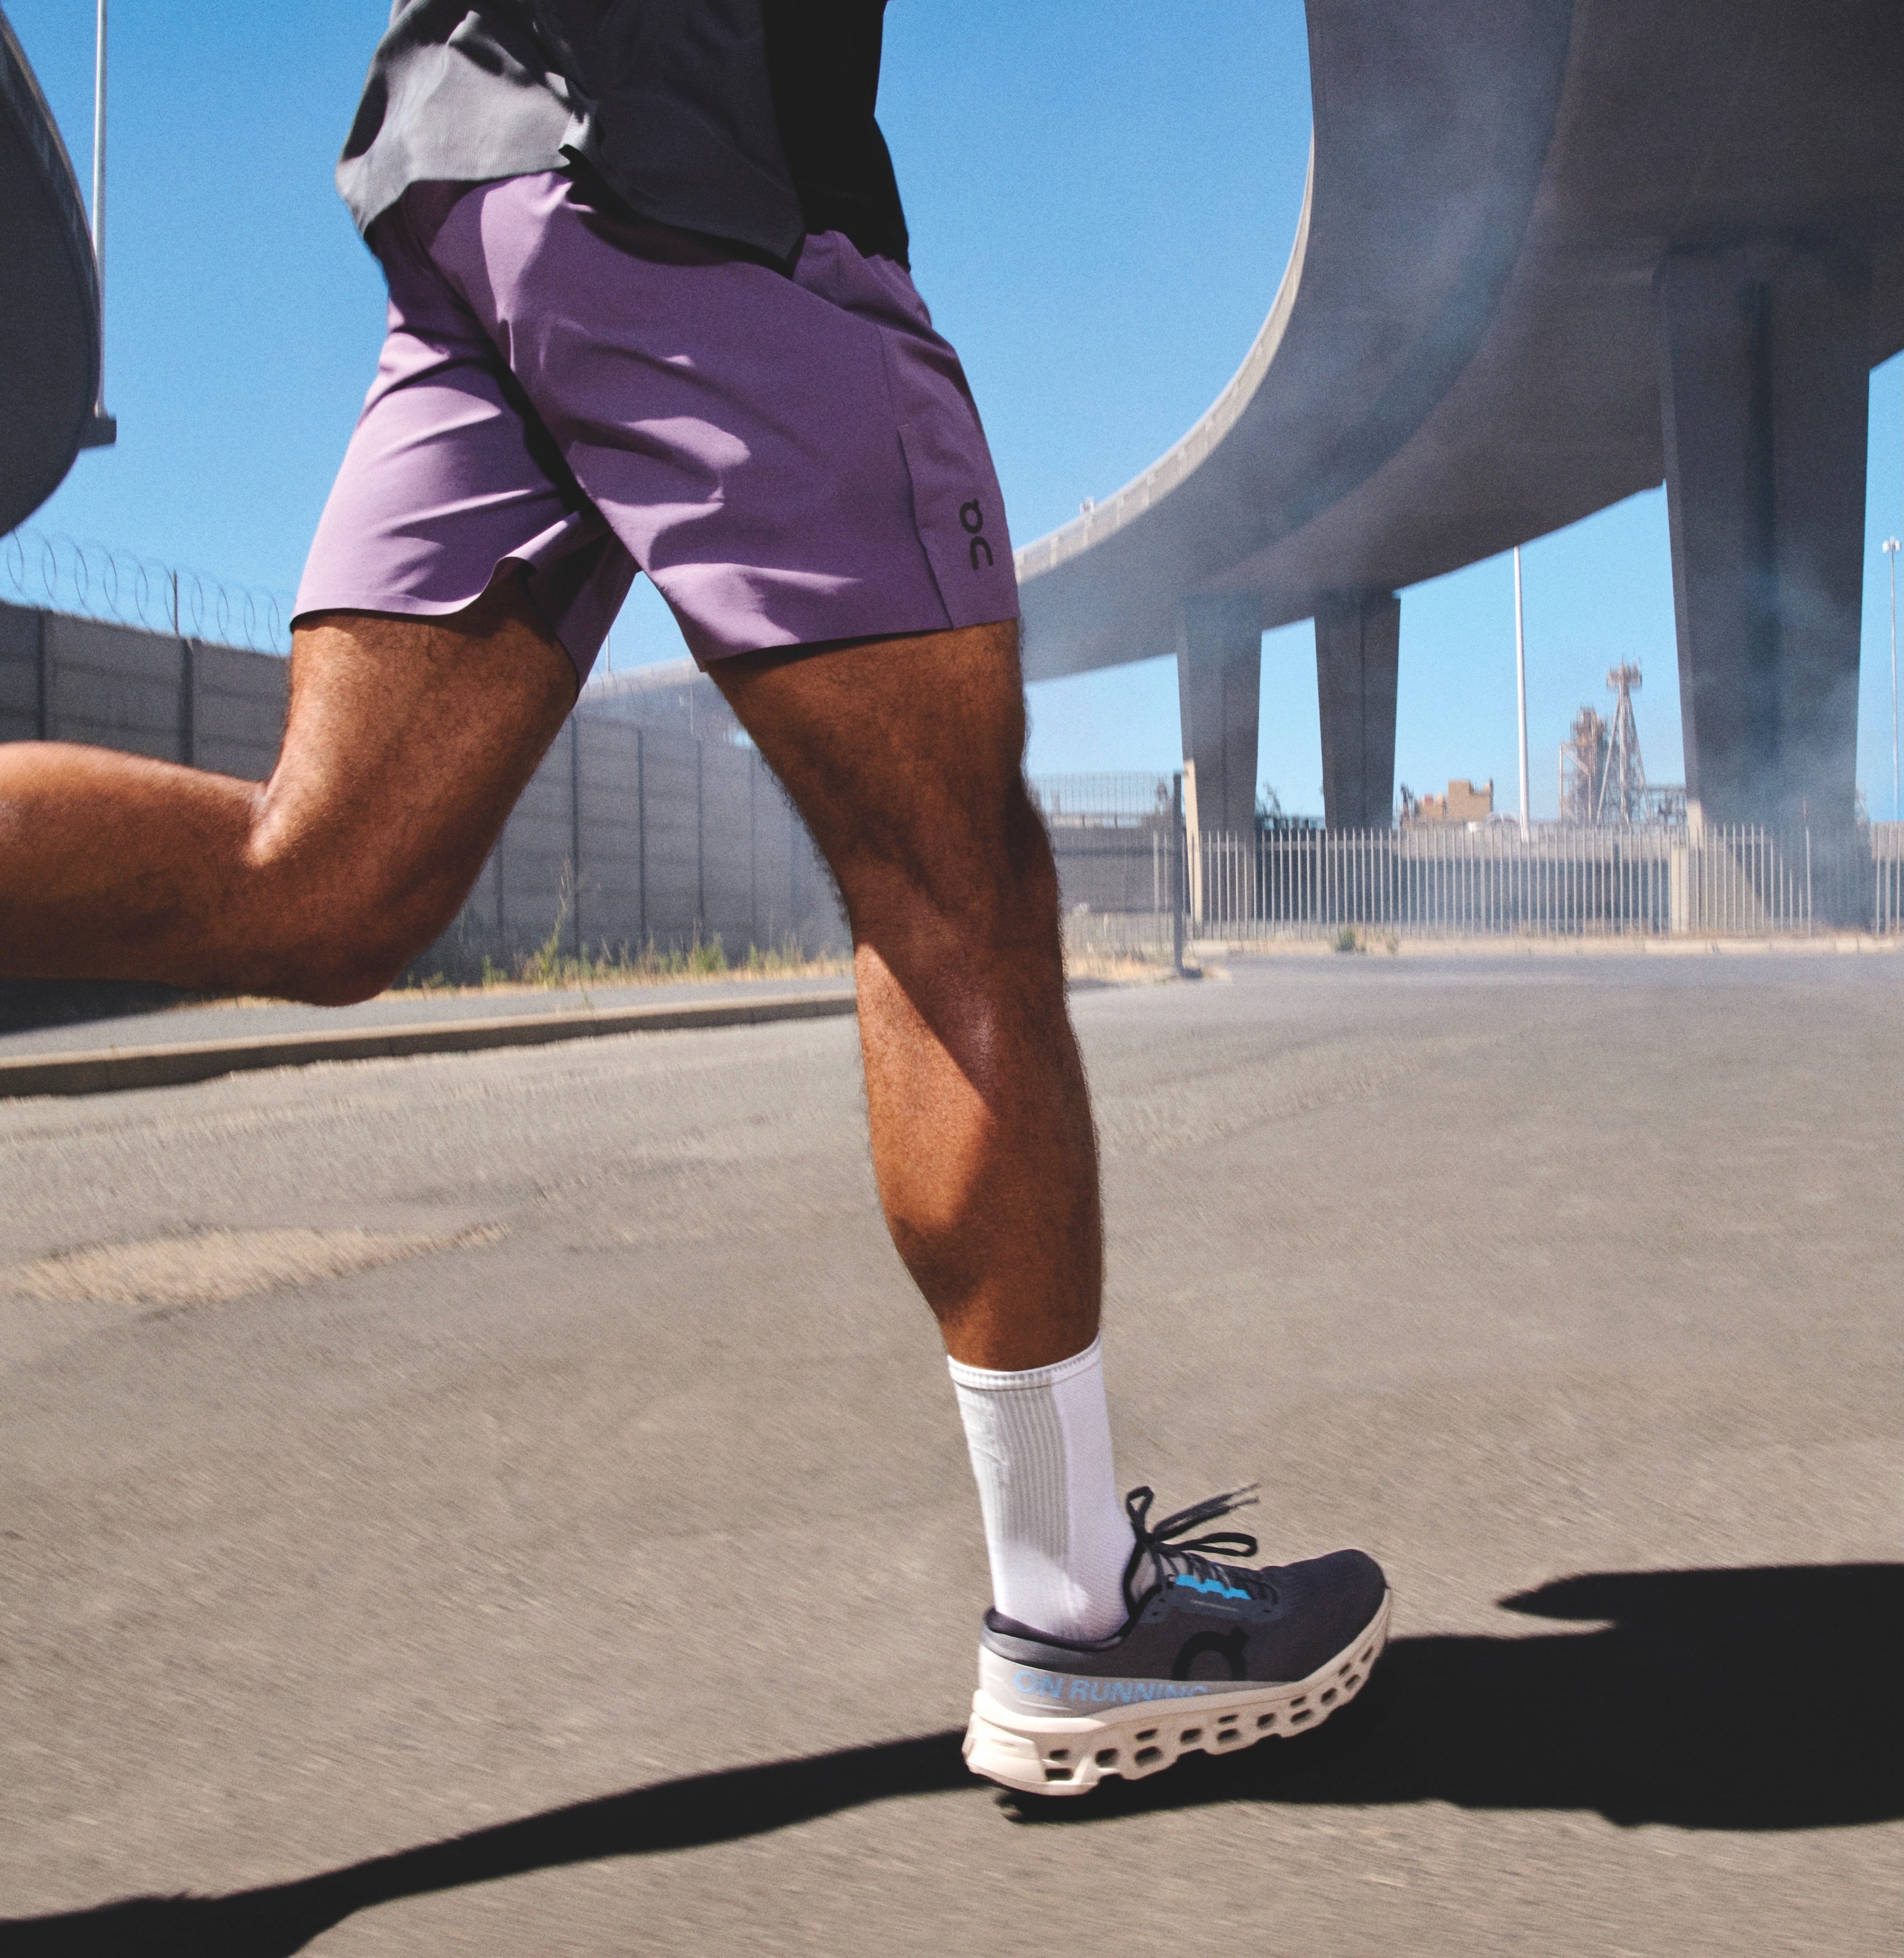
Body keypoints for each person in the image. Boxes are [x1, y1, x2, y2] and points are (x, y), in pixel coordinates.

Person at [0, 1, 1386, 1795]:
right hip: (699, 182)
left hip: (480, 174)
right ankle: (1080, 1627)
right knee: (954, 891)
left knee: (322, 876)